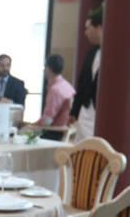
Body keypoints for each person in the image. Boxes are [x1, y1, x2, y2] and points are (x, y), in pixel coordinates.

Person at [70, 10, 103, 139]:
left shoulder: (113, 53)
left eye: (88, 28)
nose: (85, 33)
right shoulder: (91, 53)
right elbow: (82, 82)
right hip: (86, 110)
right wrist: (74, 110)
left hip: (101, 111)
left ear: (99, 28)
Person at [28, 54, 76, 140]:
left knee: (21, 134)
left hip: (55, 133)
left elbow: (47, 120)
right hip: (67, 131)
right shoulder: (67, 85)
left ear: (48, 68)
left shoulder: (55, 89)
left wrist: (30, 126)